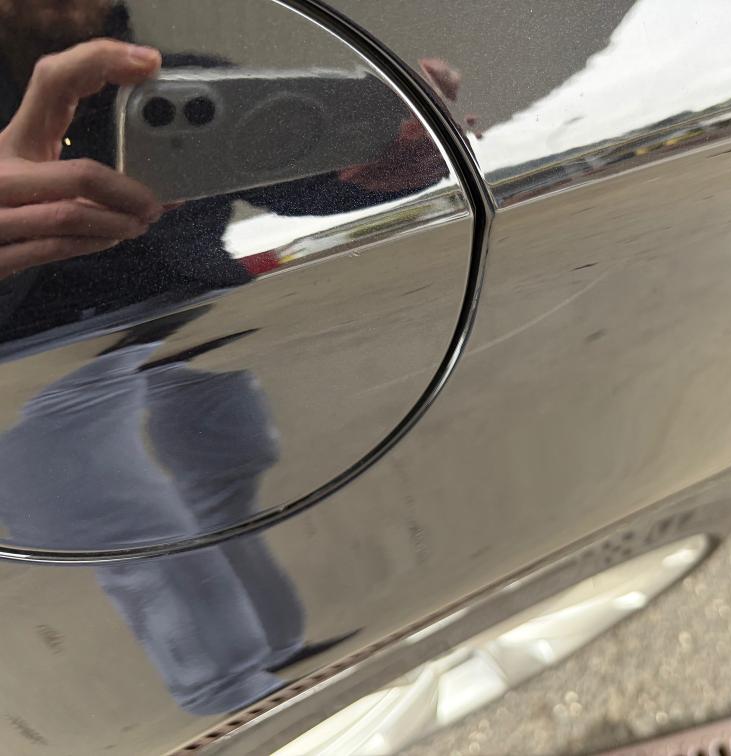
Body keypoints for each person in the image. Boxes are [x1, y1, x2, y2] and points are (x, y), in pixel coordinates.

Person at [0, 0, 451, 714]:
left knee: (224, 493)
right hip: (53, 368)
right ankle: (237, 704)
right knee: (138, 532)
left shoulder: (184, 85)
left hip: (200, 329)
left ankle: (284, 669)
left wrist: (388, 168)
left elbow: (295, 178)